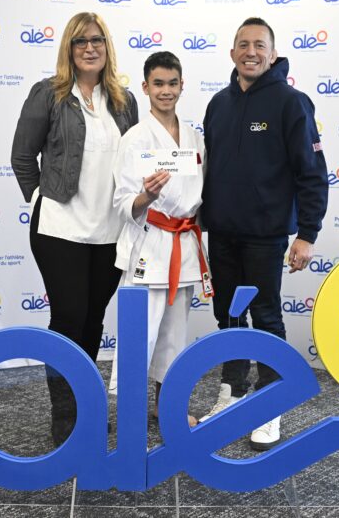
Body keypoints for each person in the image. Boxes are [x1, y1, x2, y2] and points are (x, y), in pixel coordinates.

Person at [199, 17, 329, 450]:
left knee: (266, 319)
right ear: (232, 52)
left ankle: (270, 404)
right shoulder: (218, 104)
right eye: (243, 44)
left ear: (272, 54)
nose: (251, 51)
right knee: (228, 318)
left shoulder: (292, 103)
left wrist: (307, 233)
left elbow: (312, 175)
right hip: (222, 234)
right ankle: (232, 392)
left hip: (265, 236)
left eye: (259, 45)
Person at [10, 12, 138, 446]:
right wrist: (40, 201)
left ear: (107, 47)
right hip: (59, 229)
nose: (90, 48)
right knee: (68, 319)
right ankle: (65, 418)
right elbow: (22, 158)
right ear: (69, 48)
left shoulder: (123, 101)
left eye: (97, 40)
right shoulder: (47, 94)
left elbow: (135, 161)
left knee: (93, 322)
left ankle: (88, 405)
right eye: (81, 41)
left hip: (110, 231)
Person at [110, 51, 209, 427]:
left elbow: (198, 196)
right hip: (150, 245)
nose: (165, 91)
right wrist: (147, 197)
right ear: (145, 87)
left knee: (175, 336)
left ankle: (166, 408)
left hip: (183, 245)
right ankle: (130, 413)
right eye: (158, 84)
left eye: (172, 84)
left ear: (182, 86)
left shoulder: (194, 138)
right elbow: (122, 202)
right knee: (140, 333)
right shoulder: (135, 139)